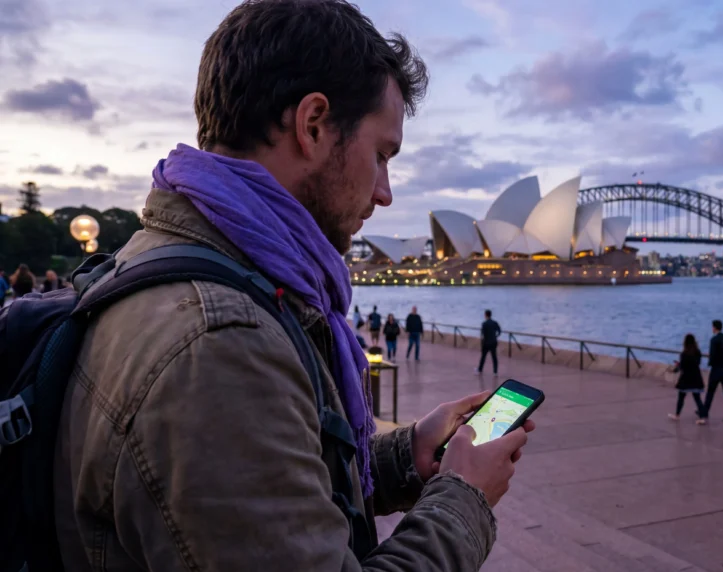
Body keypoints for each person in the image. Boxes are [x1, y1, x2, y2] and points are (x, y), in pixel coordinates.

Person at [53, 2, 534, 570]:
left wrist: (407, 456)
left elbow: (270, 494)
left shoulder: (168, 264)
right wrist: (465, 496)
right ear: (312, 125)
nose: (385, 193)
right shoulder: (220, 346)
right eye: (381, 155)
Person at [668, 334, 707, 425]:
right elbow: (698, 363)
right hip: (696, 377)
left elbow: (682, 366)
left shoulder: (684, 354)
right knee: (697, 398)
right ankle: (702, 417)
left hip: (686, 378)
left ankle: (677, 415)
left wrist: (676, 367)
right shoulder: (698, 352)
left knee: (681, 398)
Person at [477, 309, 501, 375]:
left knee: (483, 357)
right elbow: (499, 331)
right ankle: (495, 371)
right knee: (494, 357)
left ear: (485, 315)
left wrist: (482, 344)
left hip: (486, 343)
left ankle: (480, 370)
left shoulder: (484, 324)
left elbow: (482, 335)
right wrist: (496, 336)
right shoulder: (495, 323)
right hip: (493, 342)